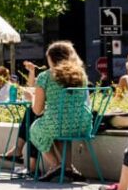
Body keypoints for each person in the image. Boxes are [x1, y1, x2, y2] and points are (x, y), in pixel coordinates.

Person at [30, 40, 92, 181]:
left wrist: (32, 97)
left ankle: (56, 165)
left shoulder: (45, 76)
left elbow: (37, 110)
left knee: (35, 128)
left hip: (58, 124)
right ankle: (68, 168)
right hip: (81, 124)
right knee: (62, 128)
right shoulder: (80, 75)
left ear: (51, 58)